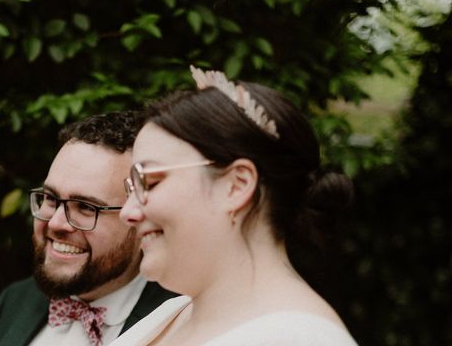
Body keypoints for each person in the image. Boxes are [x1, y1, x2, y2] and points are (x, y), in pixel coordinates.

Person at [112, 66, 358, 346]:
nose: (127, 213)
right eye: (131, 188)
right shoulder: (175, 312)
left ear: (237, 185)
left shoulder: (302, 339)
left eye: (150, 182)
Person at [0, 111, 176, 346]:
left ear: (140, 216)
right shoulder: (14, 301)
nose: (55, 223)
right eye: (51, 198)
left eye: (85, 207)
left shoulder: (181, 320)